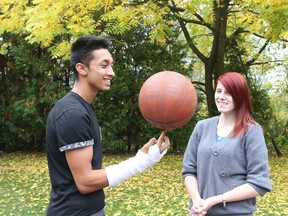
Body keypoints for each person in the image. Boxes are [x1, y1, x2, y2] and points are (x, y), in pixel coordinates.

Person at [45, 35, 170, 216]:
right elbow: (85, 182)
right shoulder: (72, 114)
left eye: (111, 65)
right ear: (81, 68)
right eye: (104, 65)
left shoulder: (83, 108)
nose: (111, 72)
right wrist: (142, 161)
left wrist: (142, 154)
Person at [182, 72, 272, 216]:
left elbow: (258, 183)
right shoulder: (202, 127)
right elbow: (189, 170)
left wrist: (216, 200)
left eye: (228, 93)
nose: (221, 97)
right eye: (219, 91)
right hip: (200, 212)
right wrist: (197, 200)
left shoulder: (252, 131)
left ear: (240, 96)